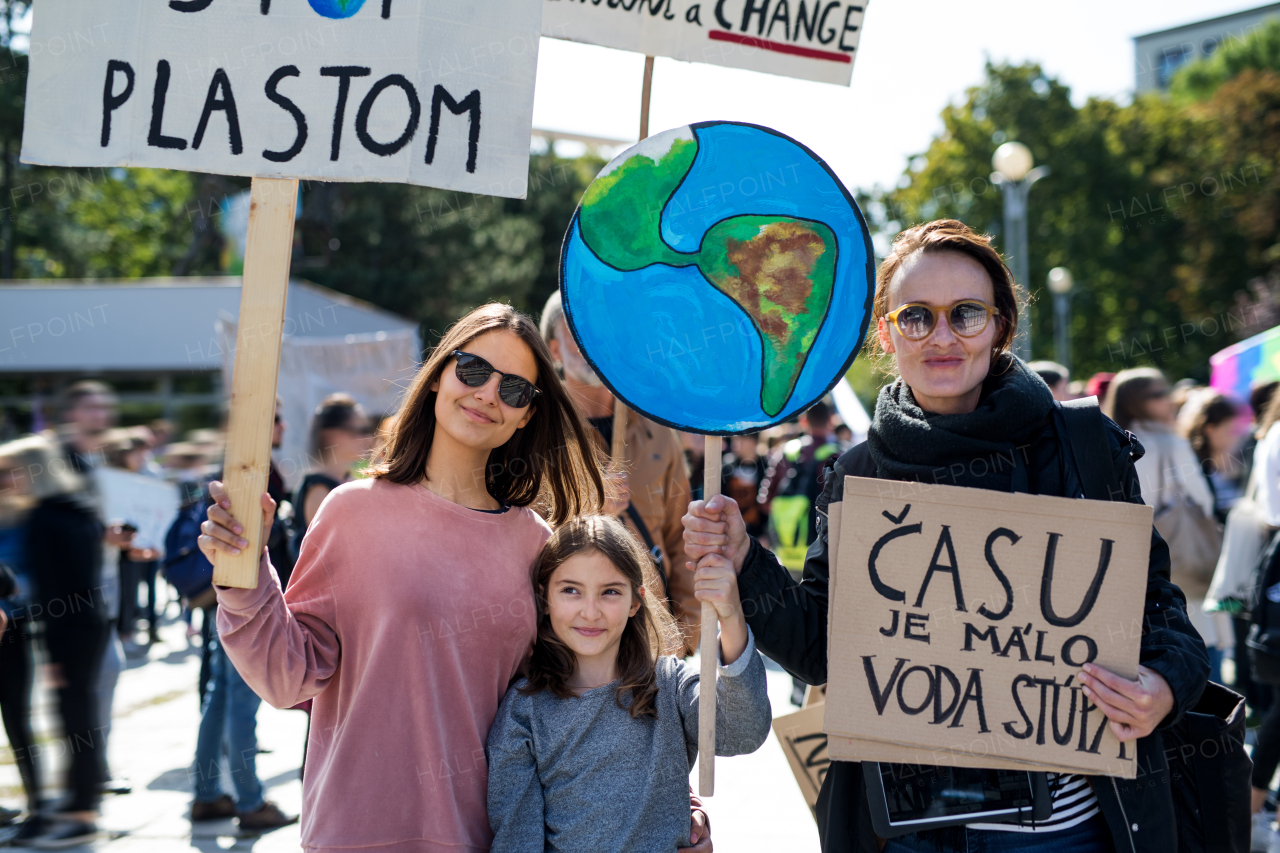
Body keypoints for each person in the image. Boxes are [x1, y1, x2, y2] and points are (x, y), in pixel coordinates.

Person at [683, 219, 1209, 853]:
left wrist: (1164, 687)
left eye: (966, 314)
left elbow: (1158, 608)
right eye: (915, 316)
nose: (941, 336)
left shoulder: (1082, 447)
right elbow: (822, 649)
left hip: (1072, 831)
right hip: (917, 832)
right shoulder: (859, 475)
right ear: (886, 332)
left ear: (998, 328)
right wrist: (744, 558)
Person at [196, 303, 712, 853]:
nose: (489, 394)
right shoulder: (351, 513)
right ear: (440, 373)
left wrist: (675, 803)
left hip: (496, 837)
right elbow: (287, 676)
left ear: (526, 416)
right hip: (356, 834)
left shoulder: (535, 544)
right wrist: (245, 576)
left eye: (514, 389)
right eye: (472, 370)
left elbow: (587, 690)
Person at [486, 515, 769, 852]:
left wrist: (732, 616)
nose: (590, 612)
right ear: (545, 598)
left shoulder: (669, 685)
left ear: (635, 601)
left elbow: (743, 730)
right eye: (571, 590)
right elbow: (517, 842)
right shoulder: (525, 711)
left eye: (610, 592)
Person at [541, 291, 700, 653]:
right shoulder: (535, 434)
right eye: (576, 332)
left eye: (600, 330)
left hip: (653, 648)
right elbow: (522, 542)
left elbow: (681, 537)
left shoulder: (658, 429)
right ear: (553, 350)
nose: (591, 342)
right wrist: (586, 510)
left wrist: (685, 637)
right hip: (569, 649)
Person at [25, 434, 115, 847]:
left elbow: (55, 591)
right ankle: (84, 797)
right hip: (91, 623)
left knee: (74, 717)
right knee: (83, 717)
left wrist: (53, 651)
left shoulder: (45, 519)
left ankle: (82, 810)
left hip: (71, 630)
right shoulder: (77, 510)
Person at [1105, 369, 1223, 681]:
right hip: (1177, 552)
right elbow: (1202, 499)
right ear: (1134, 402)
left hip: (1129, 553)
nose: (1167, 400)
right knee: (1196, 635)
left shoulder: (1109, 437)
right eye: (1156, 394)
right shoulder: (1170, 440)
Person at [0, 440, 45, 841]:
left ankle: (38, 802)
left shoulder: (30, 517)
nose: (6, 481)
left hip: (15, 631)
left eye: (10, 472)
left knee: (19, 720)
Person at [291, 394, 373, 558]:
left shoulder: (345, 479)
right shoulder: (318, 489)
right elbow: (327, 557)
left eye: (368, 430)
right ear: (331, 435)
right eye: (359, 431)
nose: (368, 438)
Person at [1180, 391, 1248, 523]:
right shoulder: (1190, 467)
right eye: (1233, 430)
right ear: (1210, 429)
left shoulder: (1247, 460)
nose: (1240, 435)